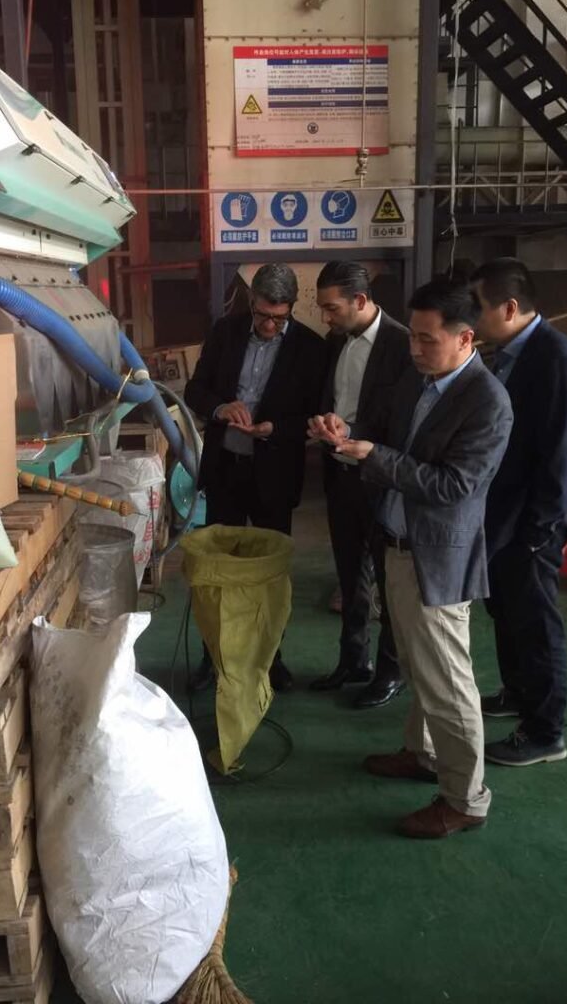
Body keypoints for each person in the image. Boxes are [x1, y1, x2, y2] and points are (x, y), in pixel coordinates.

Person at [312, 279, 513, 838]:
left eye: (428, 340)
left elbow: (453, 486)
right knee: (421, 666)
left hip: (436, 557)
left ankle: (466, 799)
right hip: (397, 542)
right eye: (413, 337)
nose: (416, 348)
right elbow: (387, 436)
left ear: (466, 338)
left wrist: (373, 456)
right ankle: (423, 753)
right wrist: (347, 433)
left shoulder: (487, 403)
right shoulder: (419, 380)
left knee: (448, 682)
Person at [471, 258, 567, 766]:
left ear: (509, 307)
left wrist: (539, 531)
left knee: (537, 624)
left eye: (478, 307)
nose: (472, 318)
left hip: (534, 523)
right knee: (507, 613)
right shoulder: (506, 354)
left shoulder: (556, 357)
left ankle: (546, 733)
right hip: (505, 518)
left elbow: (562, 452)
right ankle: (517, 692)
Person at [184, 263, 325, 691]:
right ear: (251, 301)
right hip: (225, 470)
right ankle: (213, 657)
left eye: (279, 318)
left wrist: (274, 429)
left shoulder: (310, 348)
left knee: (270, 574)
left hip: (274, 477)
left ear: (291, 308)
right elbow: (195, 390)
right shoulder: (225, 333)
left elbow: (314, 414)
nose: (269, 325)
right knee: (218, 570)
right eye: (263, 315)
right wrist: (220, 408)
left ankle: (270, 658)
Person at [307, 261, 411, 707]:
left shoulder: (402, 345)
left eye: (332, 308)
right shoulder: (337, 341)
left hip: (381, 479)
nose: (325, 317)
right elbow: (333, 399)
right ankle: (353, 660)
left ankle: (391, 670)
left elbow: (402, 421)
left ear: (361, 301)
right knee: (350, 575)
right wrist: (324, 423)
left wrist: (352, 430)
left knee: (389, 582)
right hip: (341, 474)